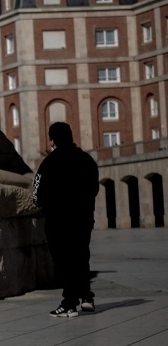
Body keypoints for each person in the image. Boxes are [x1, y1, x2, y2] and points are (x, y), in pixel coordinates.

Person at [33, 122, 100, 318]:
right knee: (81, 256)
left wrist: (47, 205)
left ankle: (69, 303)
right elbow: (94, 189)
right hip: (83, 219)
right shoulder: (87, 160)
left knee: (63, 262)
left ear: (52, 140)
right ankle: (86, 297)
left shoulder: (49, 163)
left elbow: (36, 193)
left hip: (58, 222)